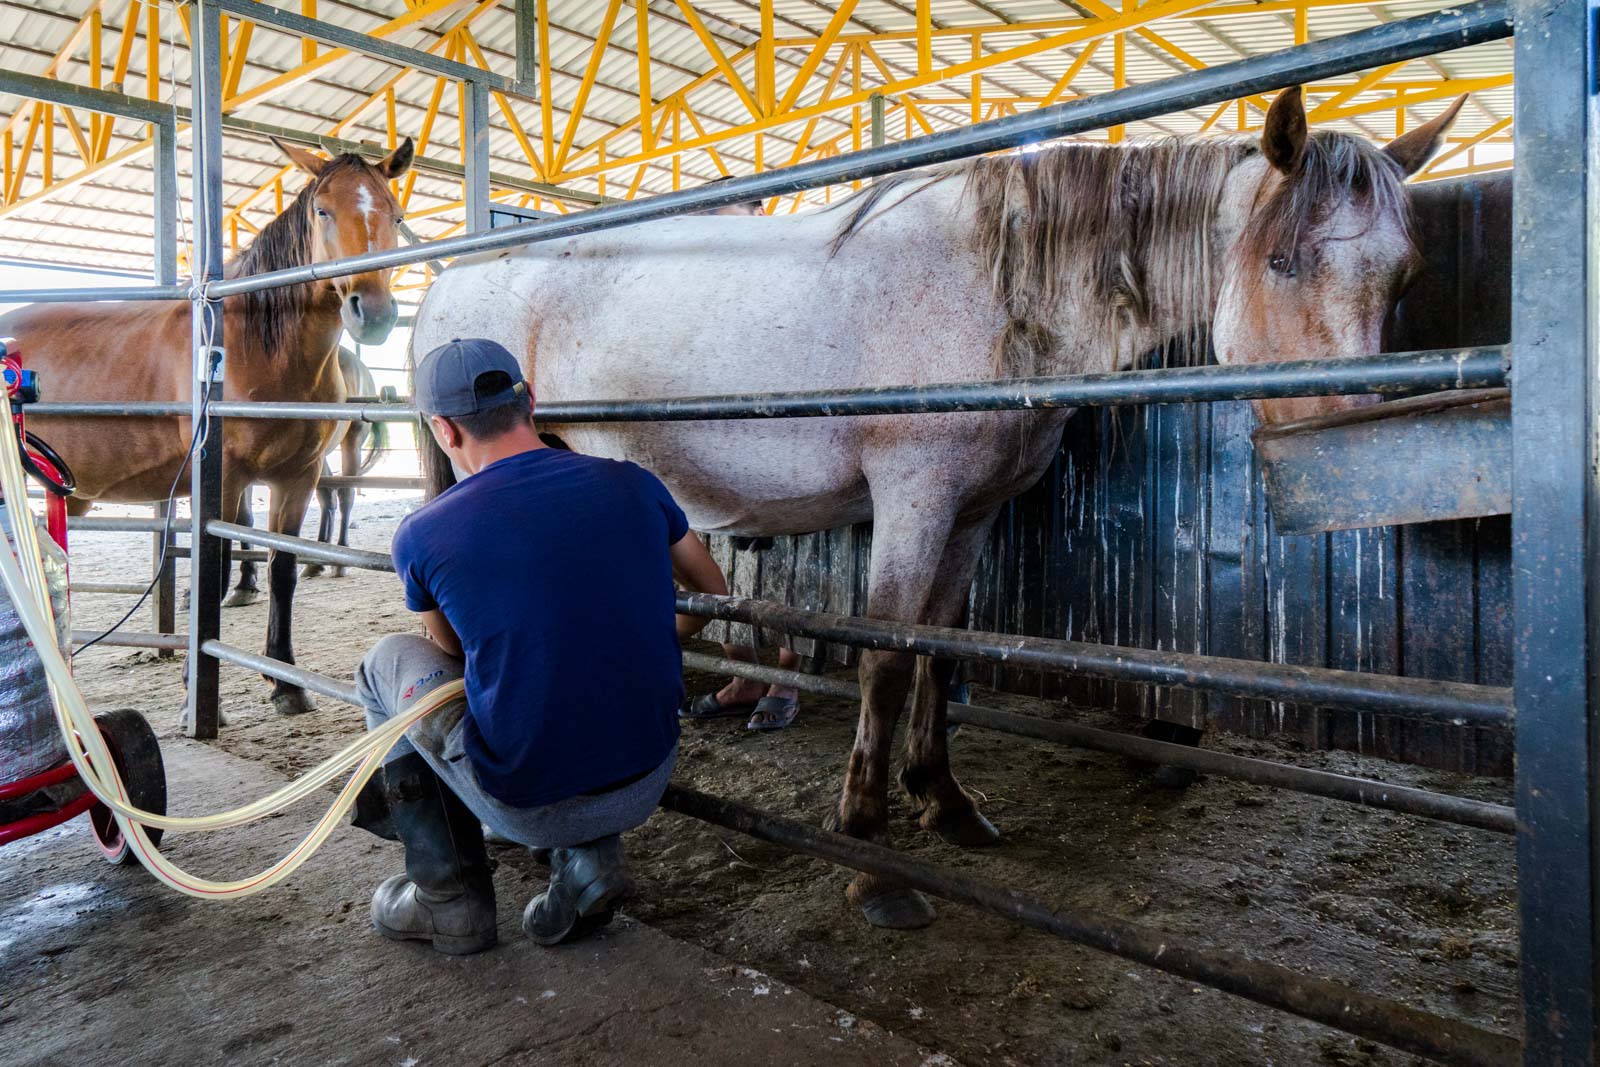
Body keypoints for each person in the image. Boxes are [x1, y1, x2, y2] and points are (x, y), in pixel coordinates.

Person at [352, 337, 729, 955]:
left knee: (384, 665)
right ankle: (586, 857)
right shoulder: (634, 484)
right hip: (648, 774)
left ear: (443, 430)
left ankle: (448, 899)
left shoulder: (423, 533)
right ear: (532, 400)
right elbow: (710, 590)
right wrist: (648, 638)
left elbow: (452, 653)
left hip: (531, 800)